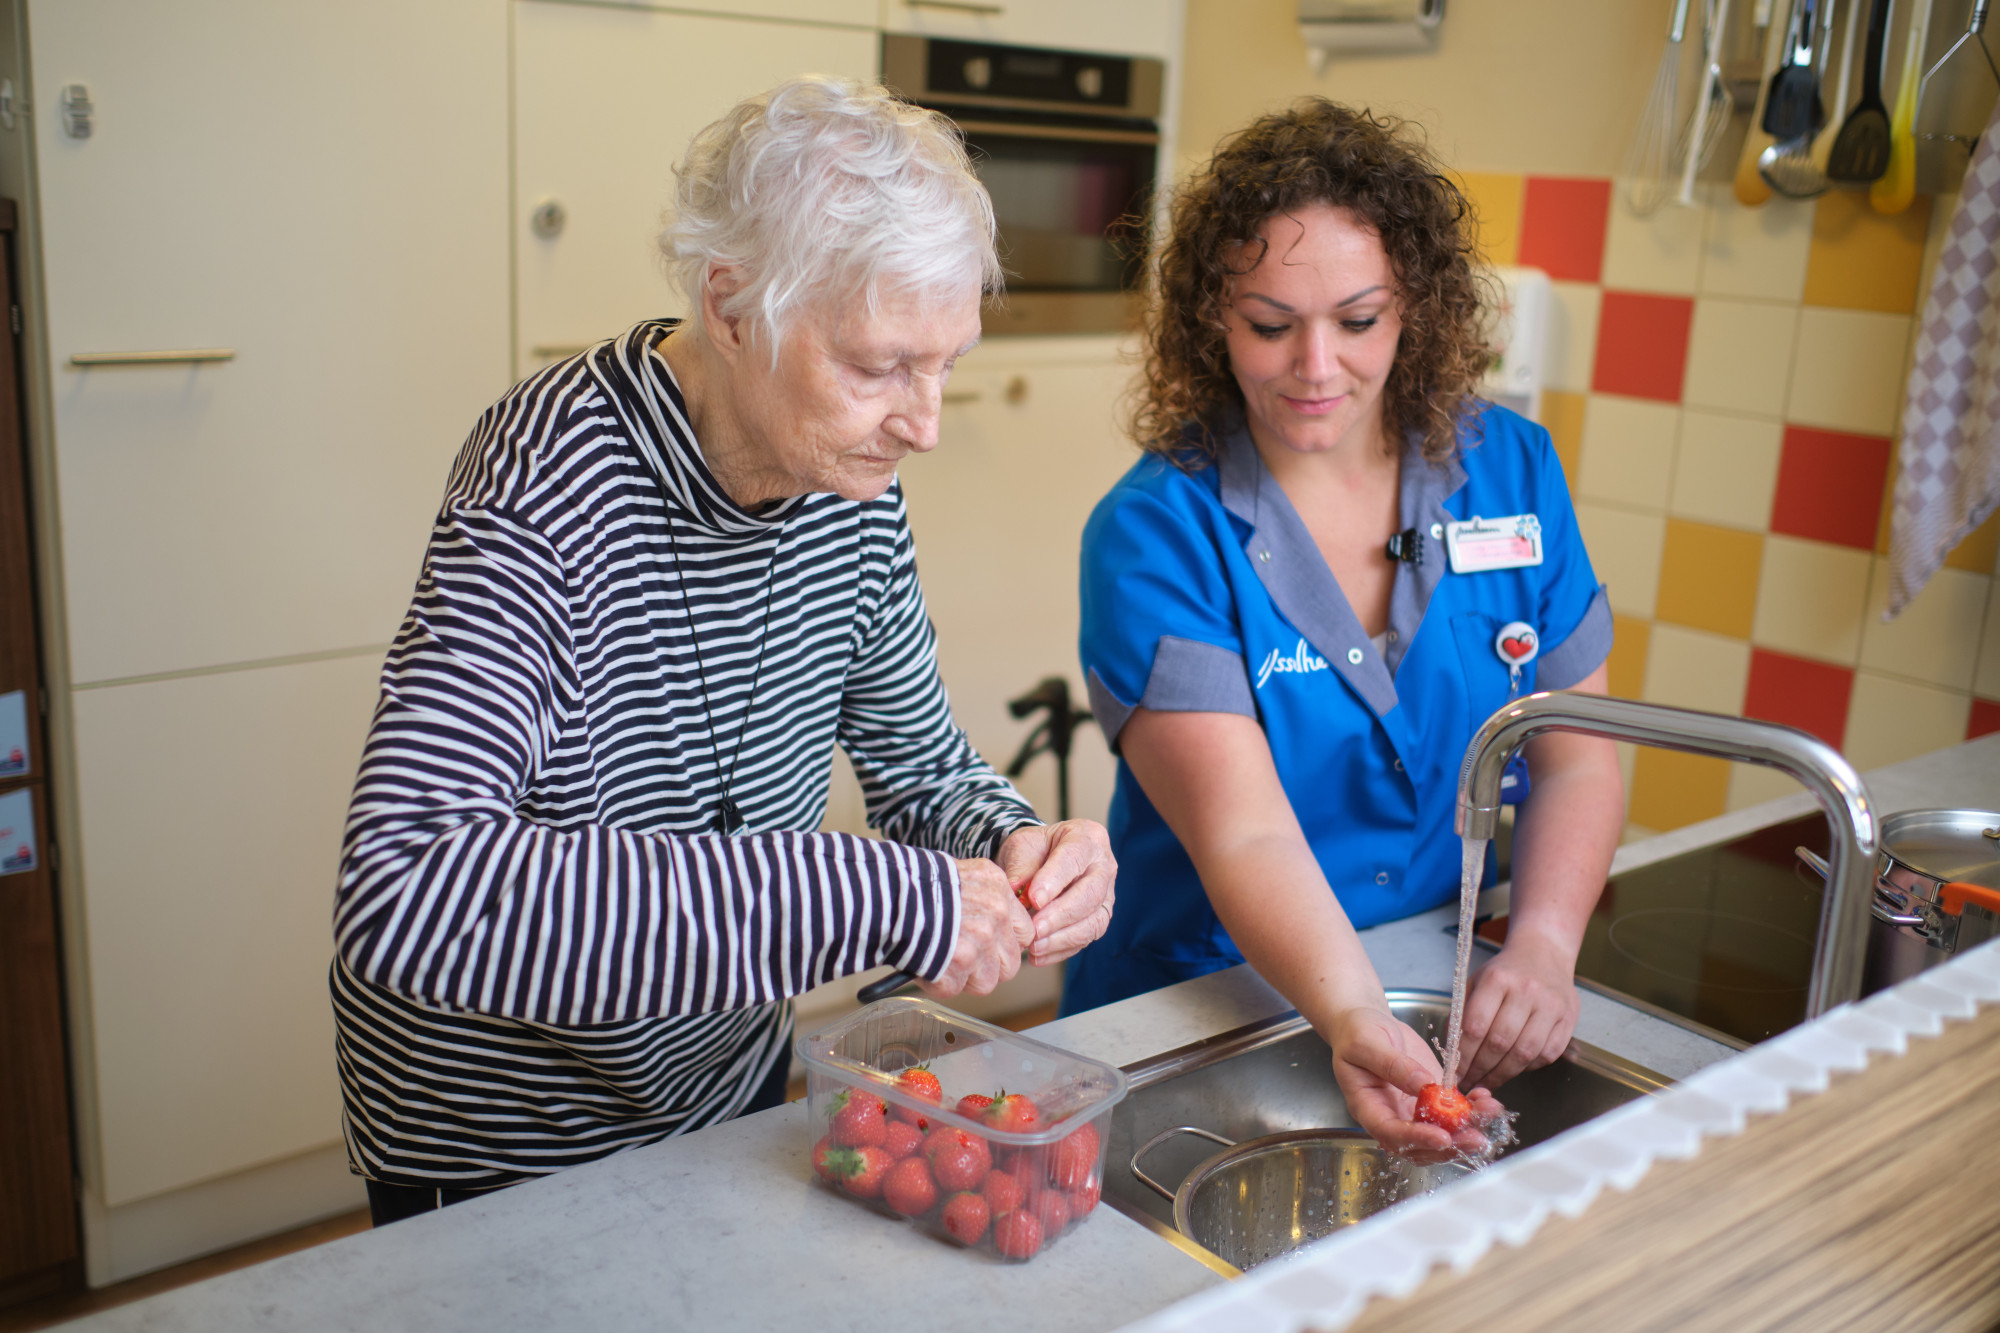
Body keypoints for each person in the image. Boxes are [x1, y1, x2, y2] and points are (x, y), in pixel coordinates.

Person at [332, 77, 1115, 1225]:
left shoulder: (849, 486)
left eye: (944, 362)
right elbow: (407, 887)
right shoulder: (545, 479)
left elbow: (920, 767)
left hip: (730, 1089)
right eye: (878, 365)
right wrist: (883, 896)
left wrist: (1011, 841)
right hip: (504, 1139)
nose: (925, 423)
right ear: (733, 306)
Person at [1062, 100, 1622, 1157]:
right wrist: (1354, 1014)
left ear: (1414, 307)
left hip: (1429, 980)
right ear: (1210, 321)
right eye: (1269, 325)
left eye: (1356, 321)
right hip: (1200, 1010)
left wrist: (1543, 946)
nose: (1315, 367)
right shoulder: (1153, 533)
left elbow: (1577, 758)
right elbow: (1245, 830)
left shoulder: (1510, 471)